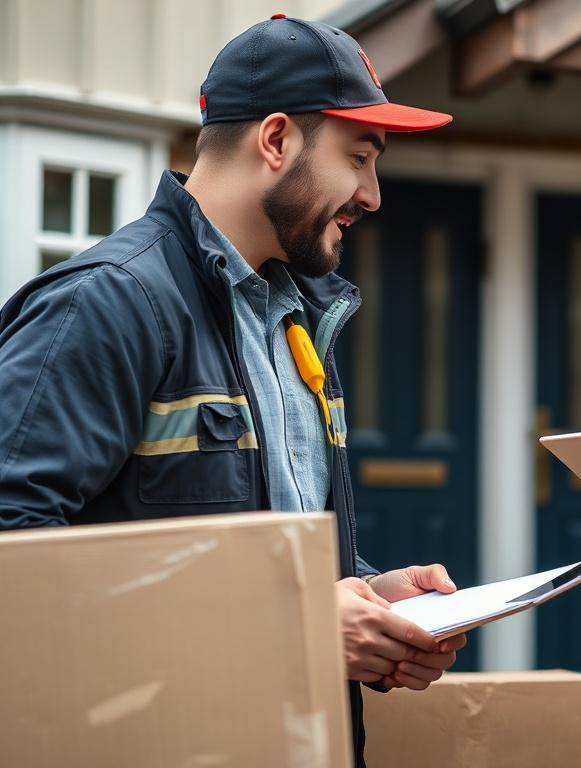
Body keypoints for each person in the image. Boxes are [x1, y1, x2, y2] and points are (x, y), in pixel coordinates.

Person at [0, 15, 466, 767]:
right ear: (276, 139)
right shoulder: (108, 303)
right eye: (358, 158)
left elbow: (248, 550)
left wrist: (366, 597)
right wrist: (295, 620)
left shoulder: (298, 318)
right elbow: (12, 557)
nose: (373, 195)